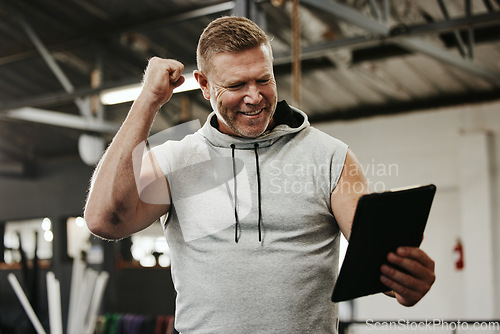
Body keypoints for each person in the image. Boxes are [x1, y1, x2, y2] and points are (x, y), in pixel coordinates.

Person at [85, 16, 435, 333]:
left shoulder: (330, 156)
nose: (254, 97)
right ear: (204, 85)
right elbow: (103, 220)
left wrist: (404, 284)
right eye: (236, 85)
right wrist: (148, 99)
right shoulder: (176, 158)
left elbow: (377, 262)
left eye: (263, 79)